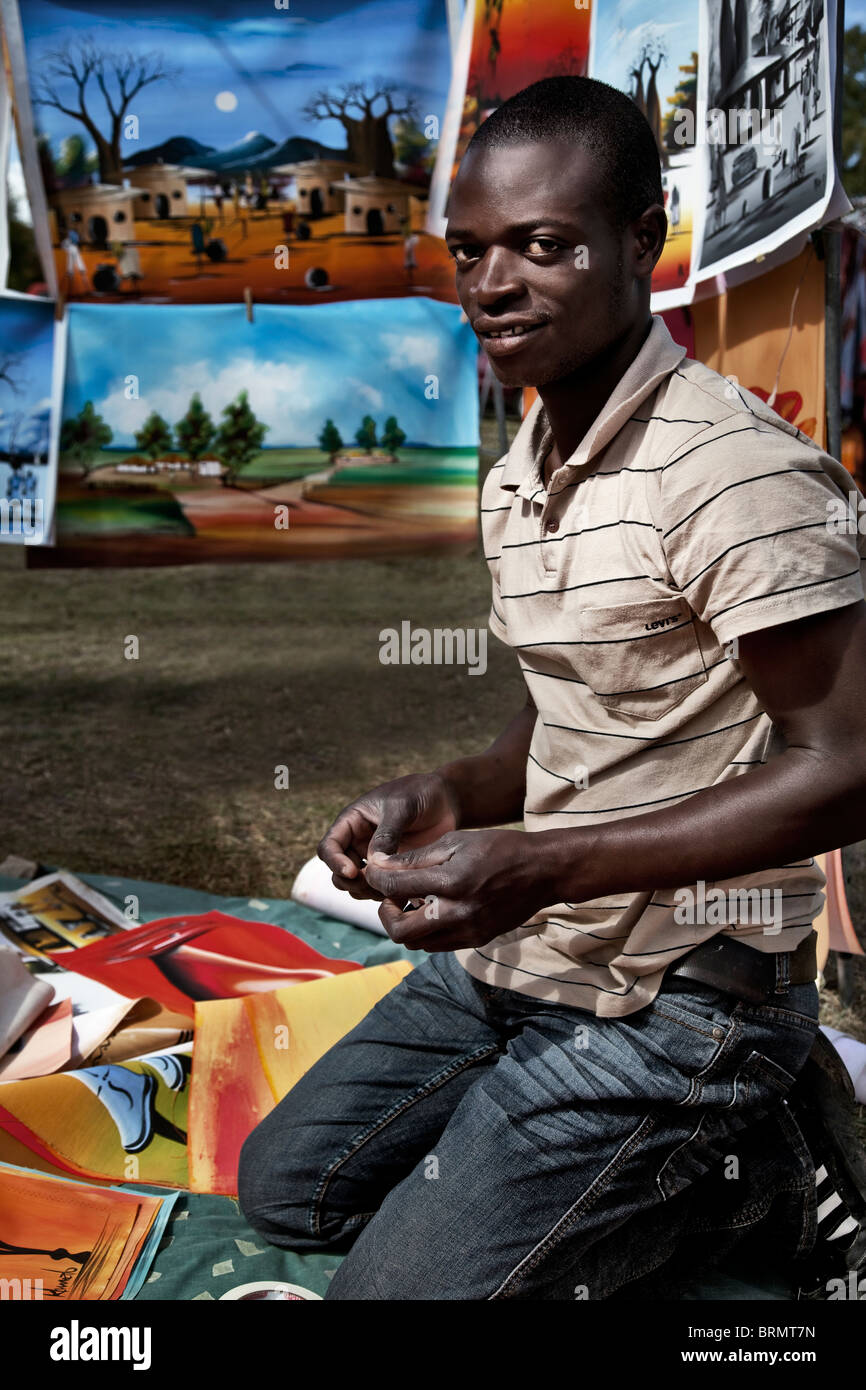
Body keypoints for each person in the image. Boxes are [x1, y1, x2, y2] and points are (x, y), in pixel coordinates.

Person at [238, 75, 866, 1300]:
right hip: (531, 955)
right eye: (470, 250)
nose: (491, 284)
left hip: (684, 995)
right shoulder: (522, 466)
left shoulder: (735, 476)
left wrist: (536, 862)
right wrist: (455, 790)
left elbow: (842, 767)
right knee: (289, 1192)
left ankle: (770, 1170)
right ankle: (688, 1167)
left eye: (541, 245)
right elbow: (576, 713)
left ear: (641, 241)